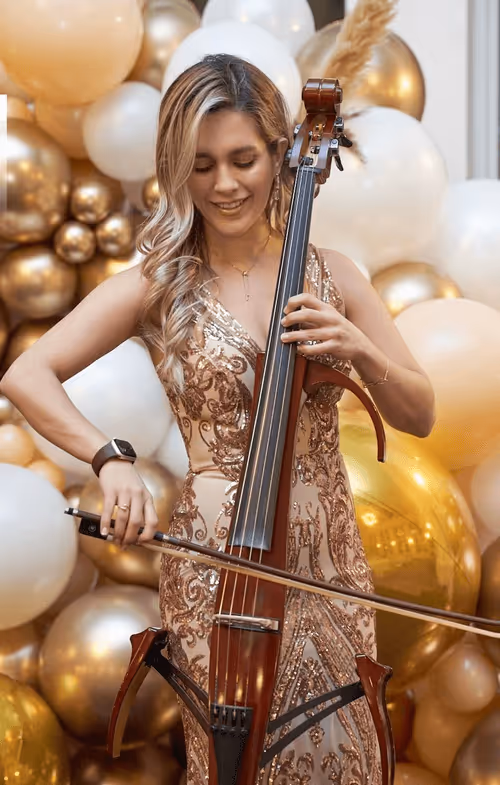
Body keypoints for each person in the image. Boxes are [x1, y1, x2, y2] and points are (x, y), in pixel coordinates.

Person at [0, 55, 435, 785]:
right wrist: (111, 458)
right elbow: (25, 375)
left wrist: (360, 348)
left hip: (324, 561)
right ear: (176, 167)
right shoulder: (159, 280)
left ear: (279, 154)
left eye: (243, 159)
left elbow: (418, 411)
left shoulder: (332, 274)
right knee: (235, 764)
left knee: (345, 763)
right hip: (218, 572)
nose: (225, 185)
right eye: (201, 166)